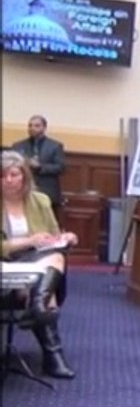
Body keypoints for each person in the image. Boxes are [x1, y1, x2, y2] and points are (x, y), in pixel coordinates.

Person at [1, 150, 77, 379]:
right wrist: (27, 241)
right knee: (45, 289)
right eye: (3, 176)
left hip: (36, 261)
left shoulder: (40, 201)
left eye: (14, 175)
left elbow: (53, 237)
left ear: (24, 177)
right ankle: (53, 356)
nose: (9, 180)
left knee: (56, 256)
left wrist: (65, 239)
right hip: (5, 262)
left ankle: (37, 305)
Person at [11, 115, 67, 218]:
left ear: (44, 128)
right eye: (30, 125)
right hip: (23, 190)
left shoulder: (55, 146)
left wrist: (40, 167)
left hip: (47, 191)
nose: (32, 128)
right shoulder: (18, 146)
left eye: (36, 126)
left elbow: (60, 167)